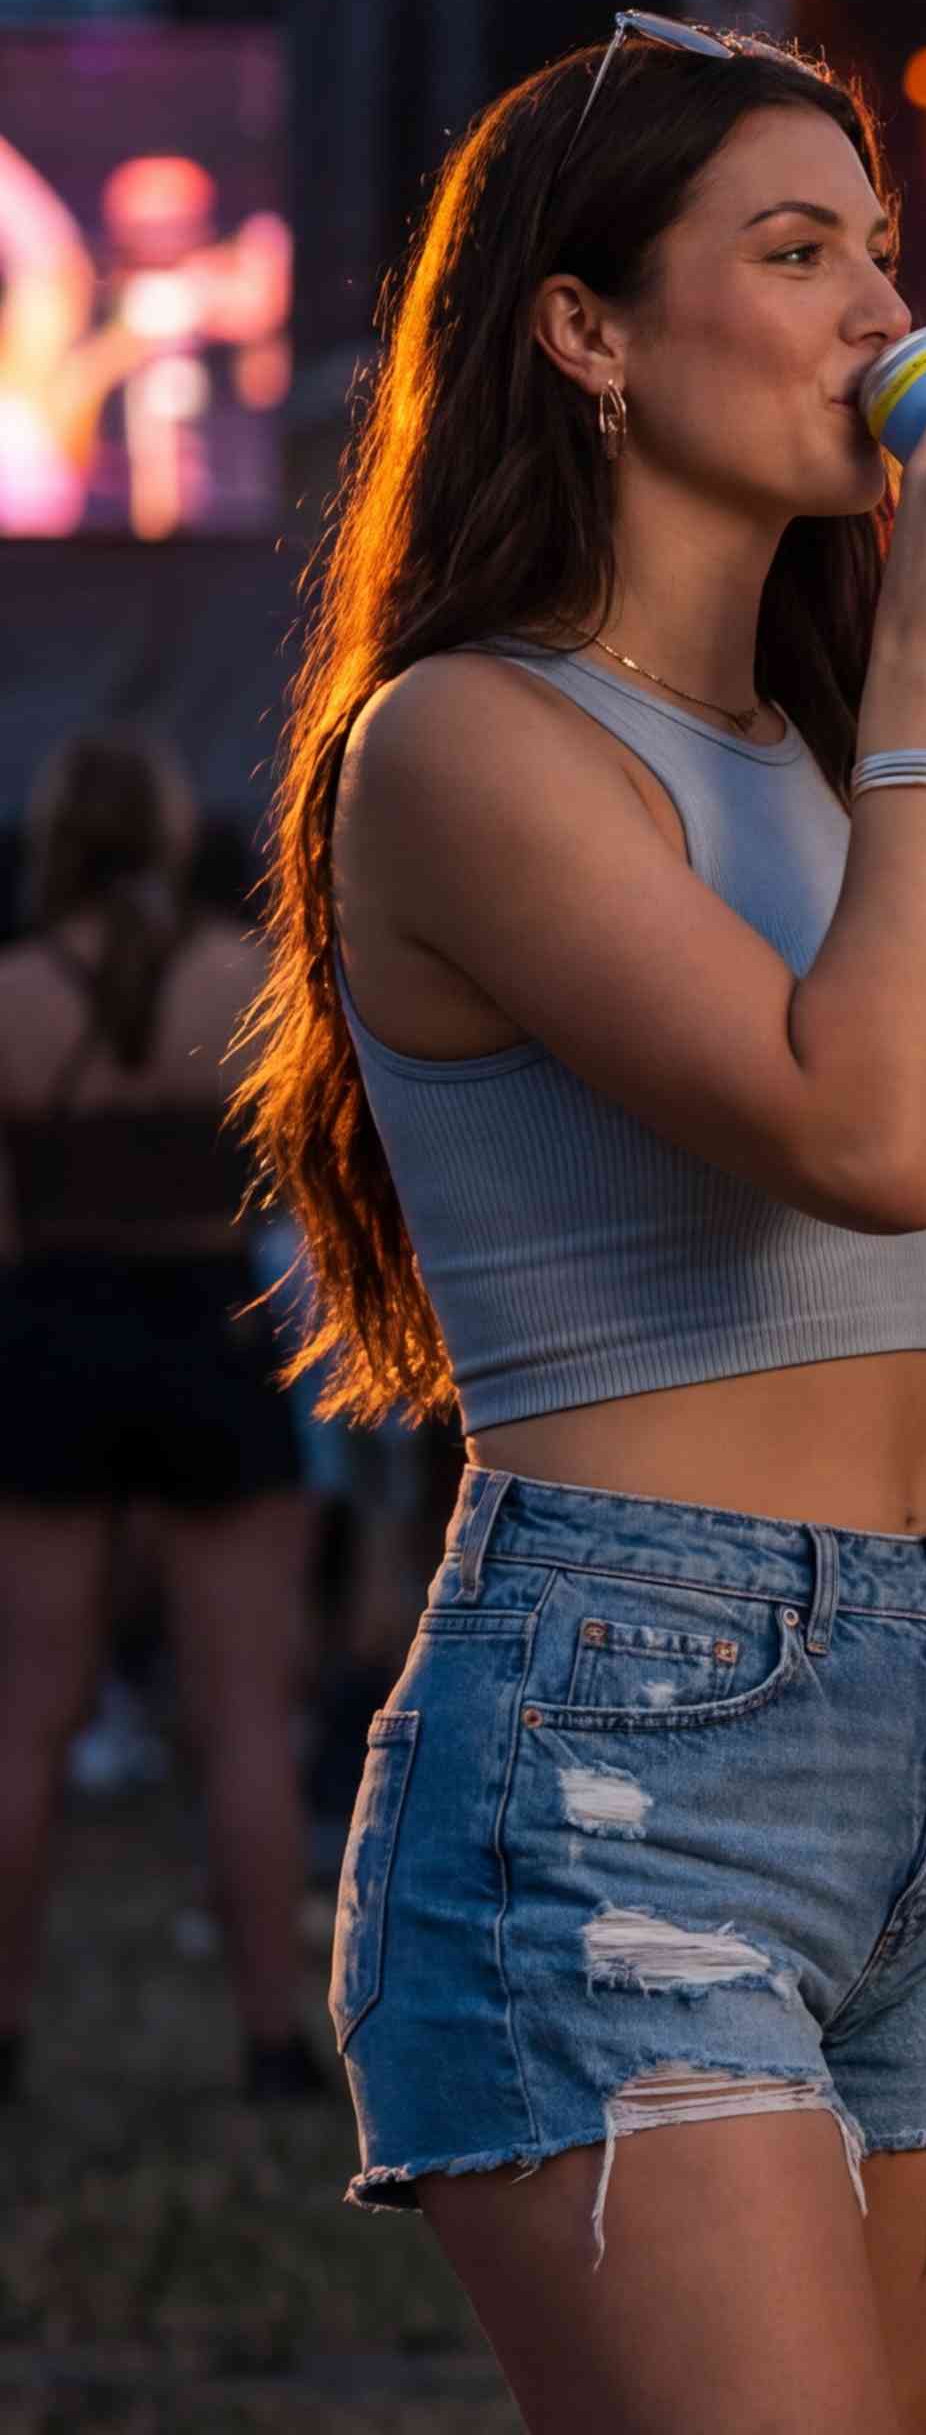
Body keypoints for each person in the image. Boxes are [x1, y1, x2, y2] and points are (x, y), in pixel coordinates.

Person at [233, 18, 926, 2423]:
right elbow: (850, 1126)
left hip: (915, 1702)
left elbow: (915, 1215)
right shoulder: (468, 741)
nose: (871, 319)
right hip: (627, 1735)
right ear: (585, 329)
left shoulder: (830, 765)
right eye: (793, 251)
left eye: (882, 256)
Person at [0, 729, 316, 2103]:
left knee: (27, 1716)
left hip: (54, 1339)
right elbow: (297, 1194)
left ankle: (3, 2032)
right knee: (245, 1716)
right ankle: (269, 2035)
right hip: (211, 1339)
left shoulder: (9, 994)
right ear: (178, 836)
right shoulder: (247, 980)